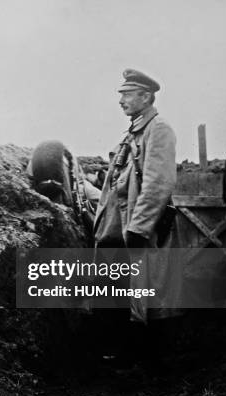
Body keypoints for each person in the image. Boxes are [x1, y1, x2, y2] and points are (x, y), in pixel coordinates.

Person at [92, 69, 181, 372]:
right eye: (121, 95)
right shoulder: (133, 132)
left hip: (135, 228)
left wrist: (140, 229)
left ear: (146, 97)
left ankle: (148, 361)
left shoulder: (159, 129)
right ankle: (117, 353)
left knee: (145, 295)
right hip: (115, 228)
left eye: (127, 95)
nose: (121, 101)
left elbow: (159, 182)